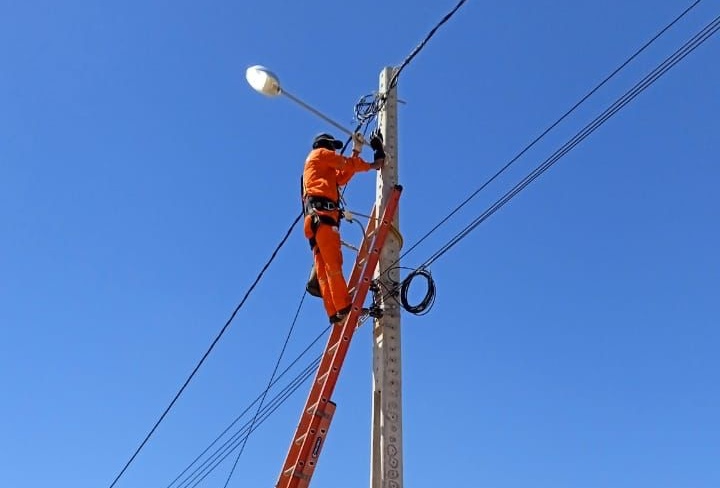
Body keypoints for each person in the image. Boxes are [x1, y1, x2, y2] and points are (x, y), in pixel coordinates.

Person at [301, 130, 385, 324]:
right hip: (323, 218)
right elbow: (345, 164)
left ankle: (335, 312)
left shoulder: (317, 169)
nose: (334, 151)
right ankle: (344, 307)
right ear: (326, 145)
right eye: (333, 147)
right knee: (333, 264)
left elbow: (342, 176)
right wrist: (374, 164)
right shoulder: (320, 154)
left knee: (324, 270)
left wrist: (356, 151)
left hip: (314, 223)